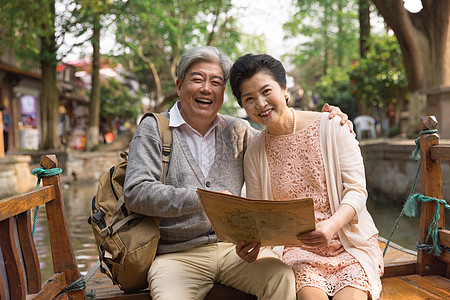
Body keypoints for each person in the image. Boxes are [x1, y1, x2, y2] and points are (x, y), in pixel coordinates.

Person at [123, 46, 351, 300]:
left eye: (216, 82)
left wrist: (330, 120)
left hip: (234, 251)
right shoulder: (154, 129)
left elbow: (283, 141)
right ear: (179, 85)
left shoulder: (238, 130)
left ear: (223, 93)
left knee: (281, 278)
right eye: (197, 79)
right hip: (176, 256)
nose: (206, 88)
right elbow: (135, 191)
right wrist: (202, 199)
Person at [229, 53, 383, 300]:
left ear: (284, 89)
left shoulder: (332, 125)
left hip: (349, 243)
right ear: (243, 107)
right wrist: (252, 246)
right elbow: (261, 218)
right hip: (298, 252)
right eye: (249, 98)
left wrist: (331, 226)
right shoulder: (255, 152)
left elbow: (357, 191)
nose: (260, 104)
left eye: (266, 91)